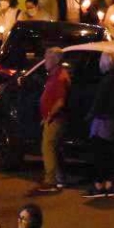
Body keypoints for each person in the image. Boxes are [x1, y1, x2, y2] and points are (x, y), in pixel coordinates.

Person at [84, 51, 114, 199]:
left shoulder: (106, 81)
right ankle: (109, 183)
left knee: (99, 153)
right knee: (109, 153)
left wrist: (89, 116)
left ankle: (98, 184)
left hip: (102, 121)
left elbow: (99, 103)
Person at [33, 48, 70, 195]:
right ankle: (60, 177)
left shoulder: (60, 77)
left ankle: (50, 181)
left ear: (55, 60)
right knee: (55, 148)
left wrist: (49, 116)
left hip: (56, 119)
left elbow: (60, 102)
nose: (44, 62)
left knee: (47, 147)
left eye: (47, 59)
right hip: (53, 118)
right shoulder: (54, 75)